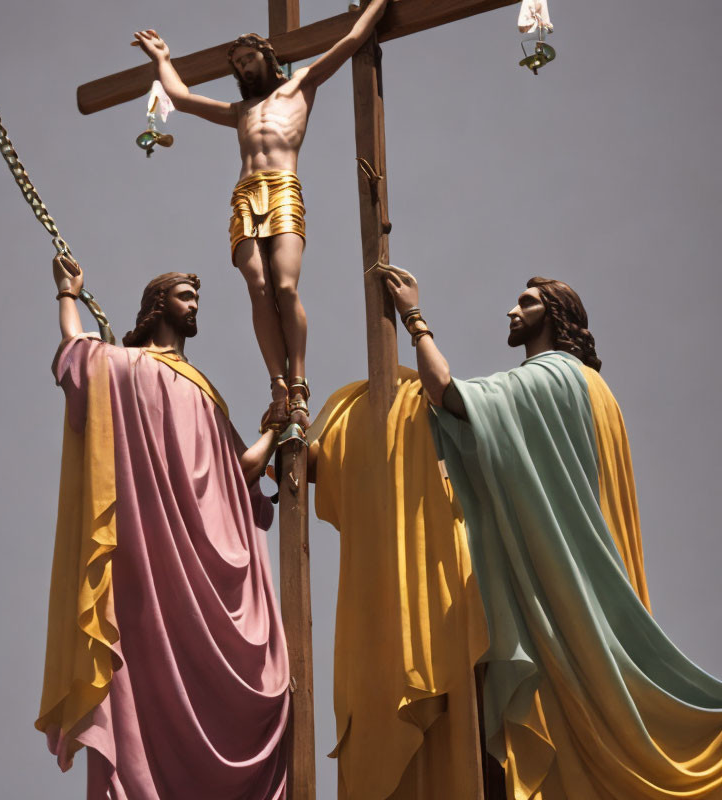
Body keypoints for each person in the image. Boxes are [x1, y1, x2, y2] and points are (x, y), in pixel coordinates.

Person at [384, 268, 722, 799]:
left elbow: (445, 392)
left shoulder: (547, 378)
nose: (513, 312)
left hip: (564, 594)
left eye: (526, 303)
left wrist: (414, 318)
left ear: (554, 315)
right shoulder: (597, 391)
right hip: (597, 587)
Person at [36, 255, 290, 799]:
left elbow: (237, 474)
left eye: (195, 298)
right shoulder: (124, 367)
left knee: (272, 689)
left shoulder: (206, 393)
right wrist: (67, 293)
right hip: (152, 559)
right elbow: (77, 359)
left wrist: (276, 429)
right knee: (140, 677)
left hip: (214, 557)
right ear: (157, 306)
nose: (194, 304)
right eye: (183, 296)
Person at [132, 0, 389, 430]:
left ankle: (299, 381)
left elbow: (350, 40)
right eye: (237, 64)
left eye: (248, 58)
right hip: (245, 195)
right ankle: (278, 385)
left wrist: (377, 5)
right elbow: (181, 97)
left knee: (285, 285)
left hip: (283, 188)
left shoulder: (302, 85)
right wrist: (162, 59)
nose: (243, 67)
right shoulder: (240, 113)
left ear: (267, 56)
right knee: (258, 286)